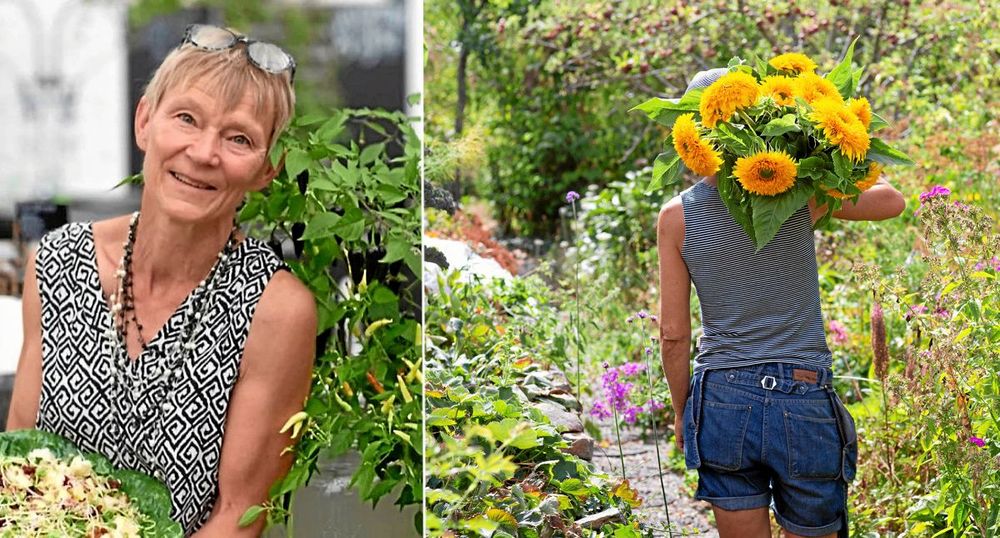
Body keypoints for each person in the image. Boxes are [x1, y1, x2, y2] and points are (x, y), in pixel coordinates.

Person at [6, 24, 316, 537]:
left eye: (239, 138)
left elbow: (237, 519)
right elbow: (20, 462)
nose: (203, 152)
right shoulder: (55, 261)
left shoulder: (274, 310)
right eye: (187, 119)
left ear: (268, 169)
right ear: (145, 121)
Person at [657, 69, 905, 538]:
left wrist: (680, 410)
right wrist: (826, 150)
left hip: (723, 396)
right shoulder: (798, 193)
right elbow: (892, 200)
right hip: (803, 391)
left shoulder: (675, 217)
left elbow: (674, 335)